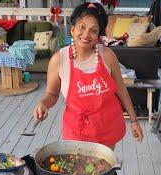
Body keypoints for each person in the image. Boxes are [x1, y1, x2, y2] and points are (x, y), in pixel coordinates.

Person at [33, 2, 143, 150]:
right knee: (77, 169)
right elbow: (52, 93)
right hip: (76, 130)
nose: (86, 34)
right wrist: (44, 103)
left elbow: (121, 90)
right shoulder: (59, 60)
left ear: (98, 35)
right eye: (82, 27)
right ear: (72, 30)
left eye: (93, 30)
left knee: (101, 168)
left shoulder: (108, 56)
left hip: (107, 126)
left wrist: (134, 121)